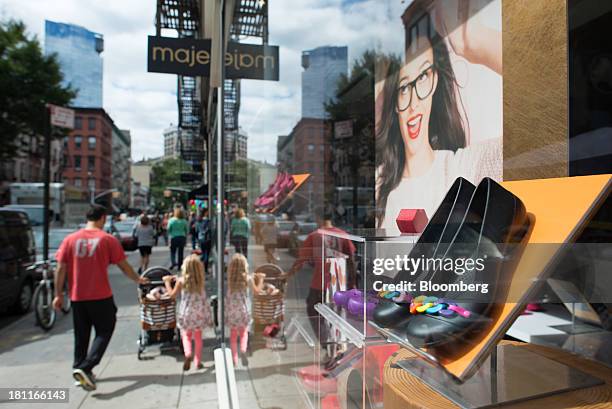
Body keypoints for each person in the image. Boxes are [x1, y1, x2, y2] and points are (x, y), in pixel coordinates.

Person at [376, 3, 502, 232]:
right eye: (404, 87)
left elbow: (546, 131)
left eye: (423, 76)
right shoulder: (378, 184)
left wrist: (476, 42)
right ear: (394, 101)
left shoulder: (463, 168)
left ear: (435, 80)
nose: (414, 103)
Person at [52, 205, 148, 391]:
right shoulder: (107, 239)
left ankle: (78, 370)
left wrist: (58, 295)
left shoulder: (70, 239)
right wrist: (138, 279)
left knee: (81, 334)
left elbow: (60, 268)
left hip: (77, 296)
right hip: (100, 294)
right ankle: (85, 367)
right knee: (105, 329)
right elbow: (123, 265)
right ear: (103, 218)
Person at [286, 210, 356, 342]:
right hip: (339, 284)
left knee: (314, 311)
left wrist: (289, 274)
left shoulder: (314, 236)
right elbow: (351, 260)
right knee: (338, 315)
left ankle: (327, 342)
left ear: (318, 218)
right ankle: (336, 344)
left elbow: (301, 259)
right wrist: (352, 283)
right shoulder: (343, 235)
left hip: (320, 284)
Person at [163, 254, 213, 370]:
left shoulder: (181, 281)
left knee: (186, 336)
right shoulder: (200, 281)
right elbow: (204, 300)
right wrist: (209, 317)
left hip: (186, 314)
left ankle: (188, 354)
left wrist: (167, 282)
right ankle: (198, 362)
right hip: (199, 314)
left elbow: (172, 295)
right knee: (198, 338)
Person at [225, 253, 261, 367]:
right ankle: (243, 350)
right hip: (244, 310)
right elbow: (256, 291)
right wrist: (260, 279)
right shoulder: (248, 278)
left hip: (232, 311)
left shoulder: (230, 279)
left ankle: (234, 359)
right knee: (244, 332)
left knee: (233, 335)